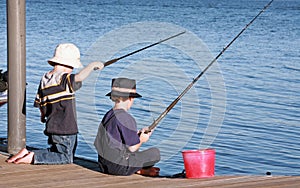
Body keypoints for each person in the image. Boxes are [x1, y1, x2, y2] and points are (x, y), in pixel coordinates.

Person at [6, 43, 104, 164]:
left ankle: (27, 152)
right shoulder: (63, 79)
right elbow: (79, 77)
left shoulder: (45, 78)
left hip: (51, 125)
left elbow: (40, 103)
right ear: (69, 64)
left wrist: (43, 116)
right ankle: (32, 157)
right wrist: (92, 65)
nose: (73, 70)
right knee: (66, 157)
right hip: (66, 128)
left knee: (55, 151)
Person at [94, 77, 160, 177]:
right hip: (119, 167)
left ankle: (137, 169)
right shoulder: (127, 118)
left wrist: (136, 135)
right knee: (155, 153)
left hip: (104, 165)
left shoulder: (108, 115)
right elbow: (132, 148)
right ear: (130, 98)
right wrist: (142, 139)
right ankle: (138, 169)